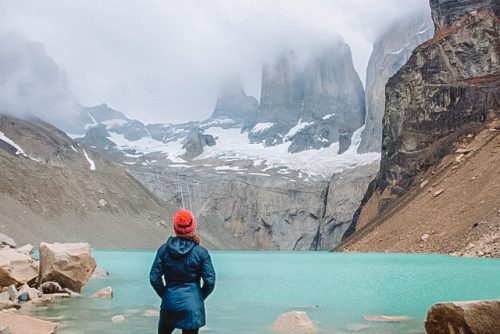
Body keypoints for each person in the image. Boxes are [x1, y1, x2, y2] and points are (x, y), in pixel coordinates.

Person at [150, 210, 216, 334]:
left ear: (175, 228)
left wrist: (165, 294)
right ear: (192, 228)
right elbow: (210, 282)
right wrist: (198, 297)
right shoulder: (201, 252)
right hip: (192, 307)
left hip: (169, 303)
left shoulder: (163, 250)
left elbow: (154, 278)